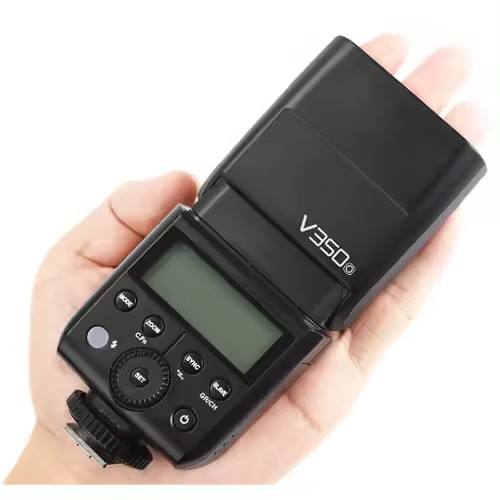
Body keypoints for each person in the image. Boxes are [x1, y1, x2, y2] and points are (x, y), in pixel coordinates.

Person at [5, 33, 484, 484]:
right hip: (320, 273)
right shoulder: (96, 360)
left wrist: (61, 465)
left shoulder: (82, 344)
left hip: (263, 229)